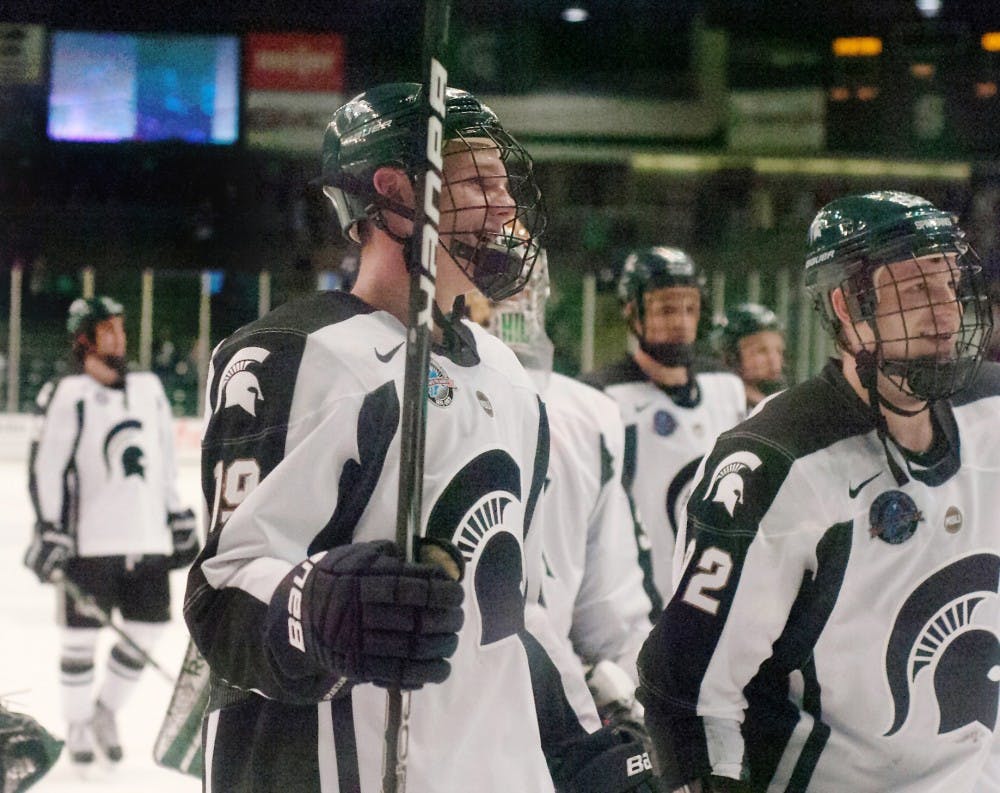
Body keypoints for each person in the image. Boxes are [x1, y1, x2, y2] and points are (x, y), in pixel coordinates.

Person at [184, 83, 658, 793]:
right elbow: (222, 597)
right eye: (478, 181)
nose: (505, 206)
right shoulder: (299, 353)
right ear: (395, 189)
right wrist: (312, 608)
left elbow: (511, 614)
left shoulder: (507, 377)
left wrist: (575, 743)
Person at [637, 190, 999, 792]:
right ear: (847, 307)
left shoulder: (993, 406)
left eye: (948, 285)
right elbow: (687, 691)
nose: (945, 314)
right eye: (915, 292)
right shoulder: (771, 464)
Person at [469, 250, 653, 727]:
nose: (511, 299)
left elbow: (608, 607)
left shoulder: (590, 416)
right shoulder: (423, 392)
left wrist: (640, 704)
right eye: (494, 280)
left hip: (554, 705)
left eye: (518, 282)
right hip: (449, 696)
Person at [24, 295, 199, 767]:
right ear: (84, 339)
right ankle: (78, 721)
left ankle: (105, 711)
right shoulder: (68, 393)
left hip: (146, 538)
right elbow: (48, 467)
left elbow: (161, 460)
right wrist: (50, 529)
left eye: (121, 328)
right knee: (80, 640)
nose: (120, 337)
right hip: (89, 542)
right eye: (108, 330)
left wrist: (177, 513)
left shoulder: (148, 389)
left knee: (148, 628)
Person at [582, 247, 746, 612]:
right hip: (638, 611)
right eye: (666, 309)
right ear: (631, 311)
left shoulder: (725, 386)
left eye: (690, 308)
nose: (682, 323)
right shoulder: (603, 396)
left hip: (718, 601)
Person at [714, 302, 787, 411]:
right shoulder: (715, 402)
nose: (773, 361)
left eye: (779, 351)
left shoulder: (785, 404)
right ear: (731, 356)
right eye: (761, 351)